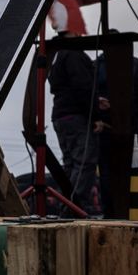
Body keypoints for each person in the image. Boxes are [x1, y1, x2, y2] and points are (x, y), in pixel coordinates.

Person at [48, 48, 104, 215]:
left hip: (61, 115)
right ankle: (73, 207)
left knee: (71, 164)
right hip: (76, 116)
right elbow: (83, 88)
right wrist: (95, 115)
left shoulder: (59, 55)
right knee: (84, 162)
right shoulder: (75, 56)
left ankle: (66, 206)